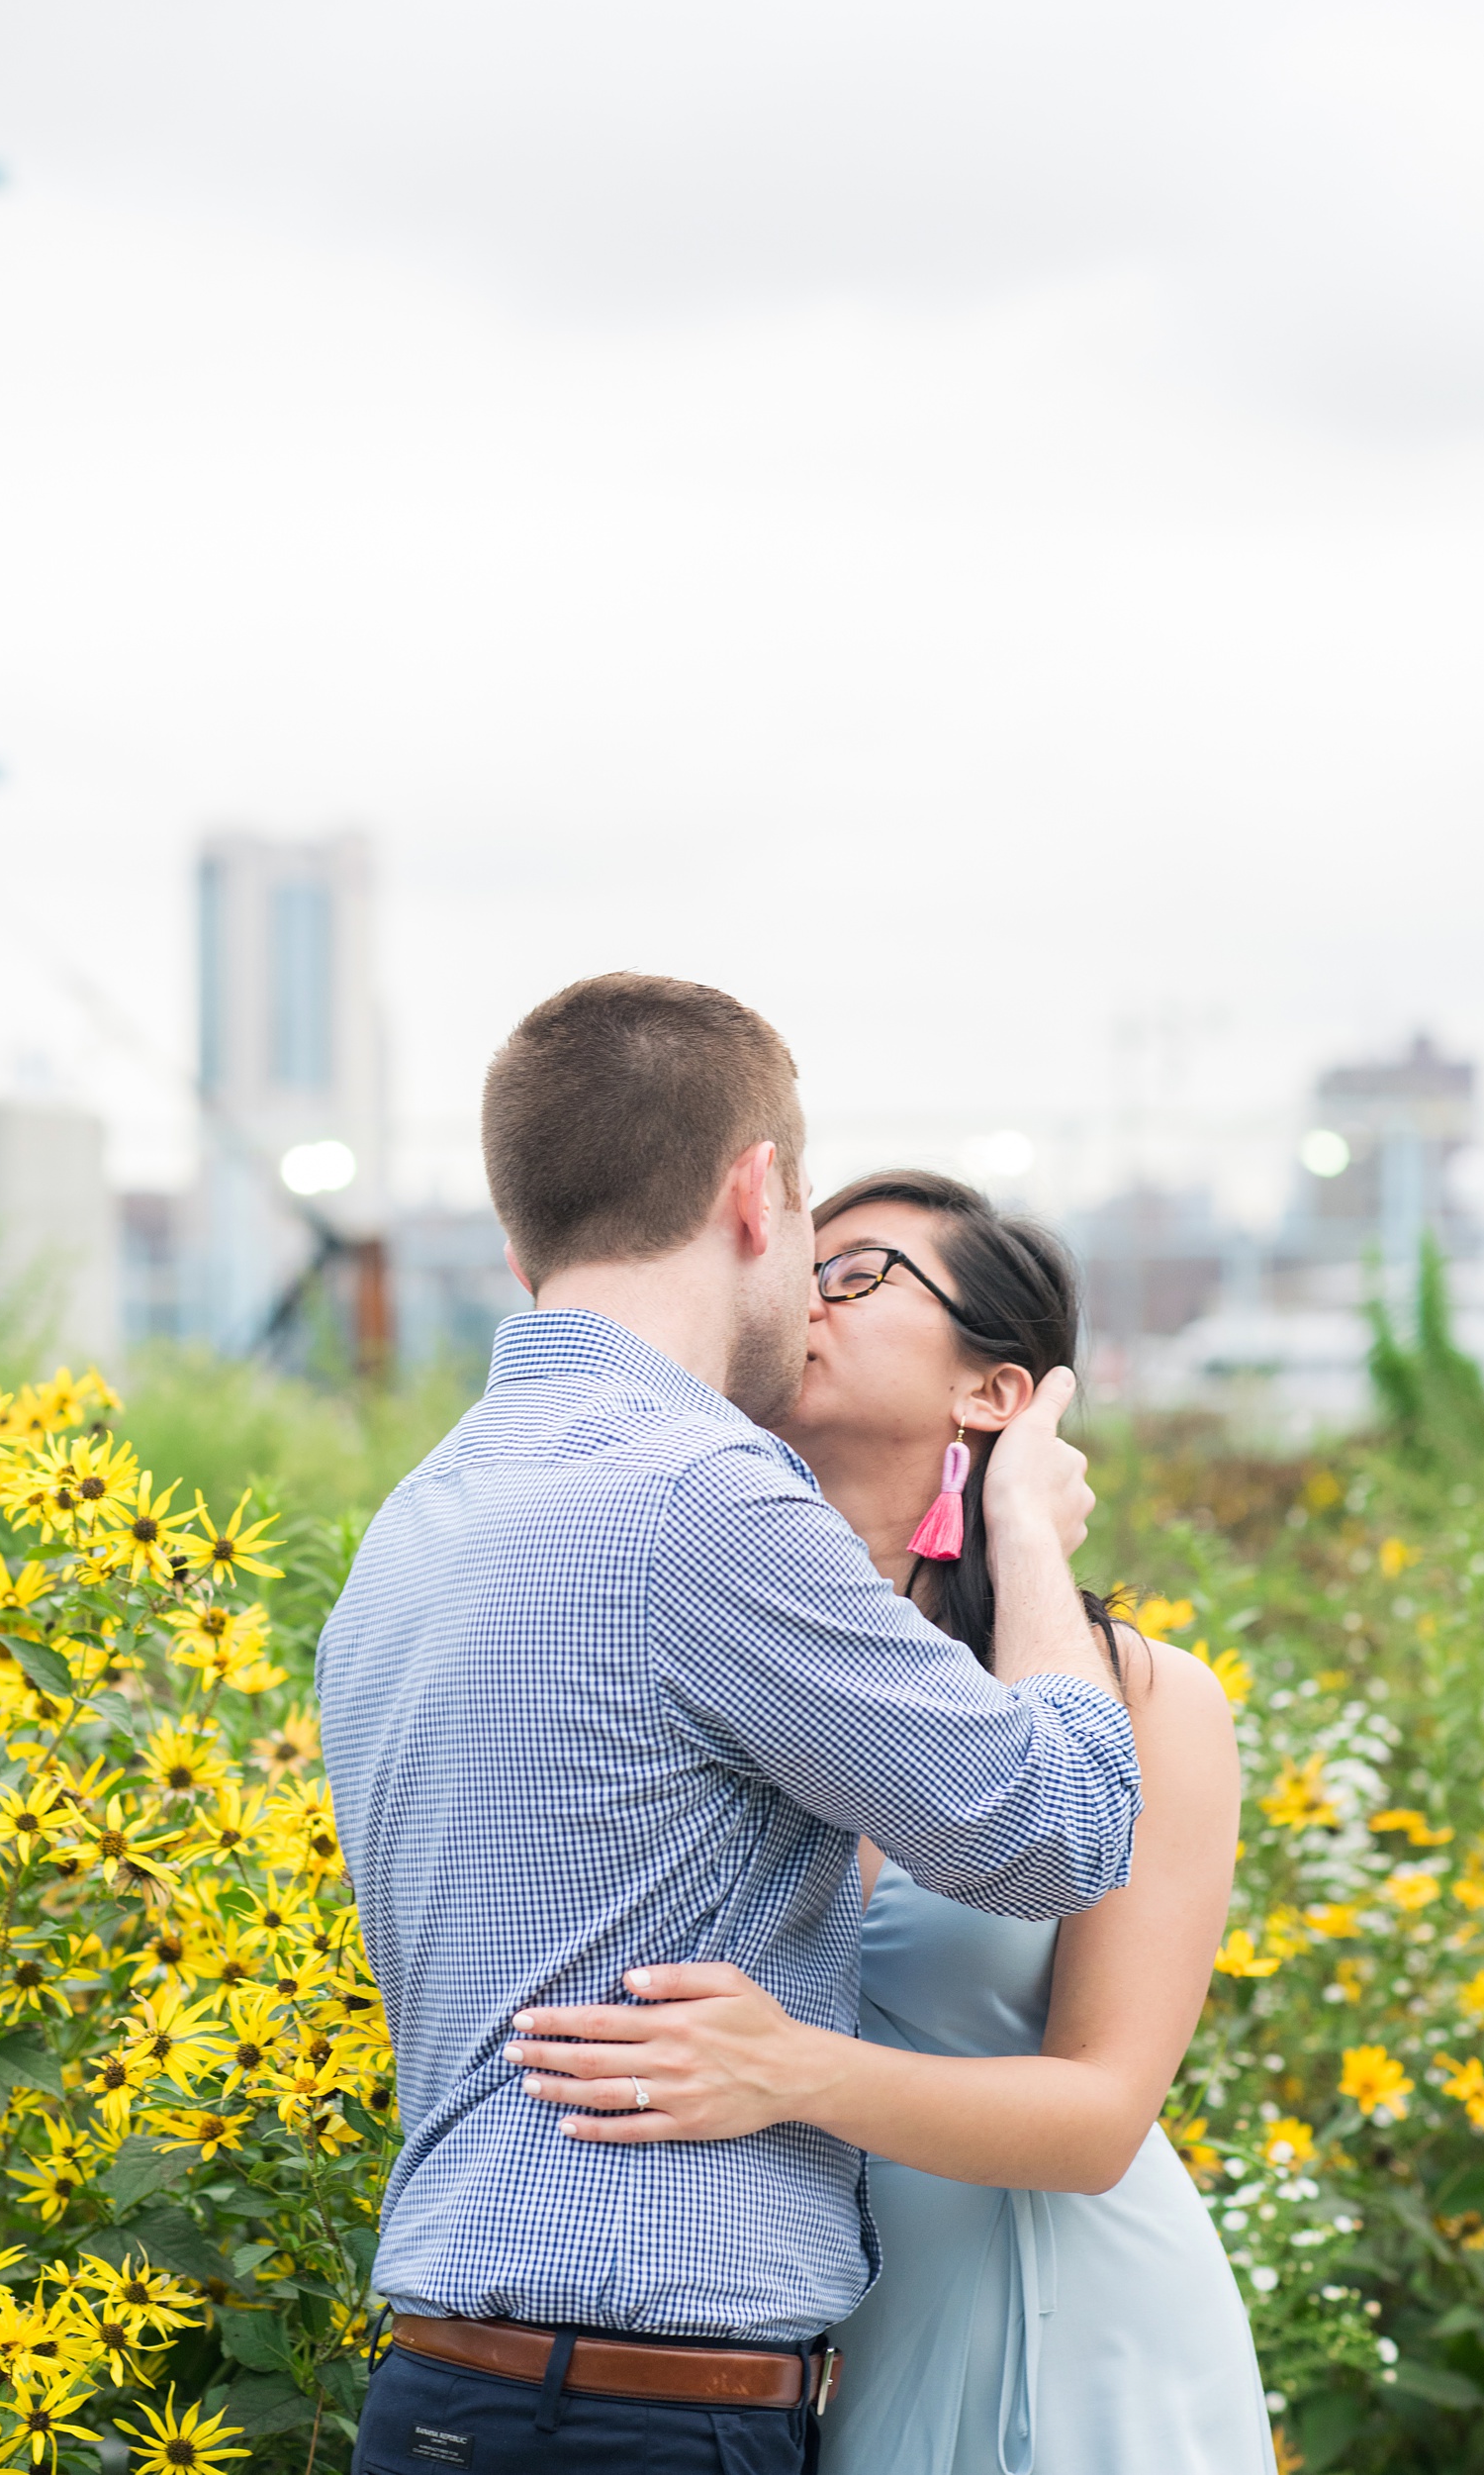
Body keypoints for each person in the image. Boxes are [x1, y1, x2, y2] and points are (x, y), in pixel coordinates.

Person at [318, 979, 1142, 2475]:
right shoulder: (701, 1496)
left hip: (451, 2393)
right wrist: (1026, 1526)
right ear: (756, 1193)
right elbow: (1055, 1830)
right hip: (627, 2413)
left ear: (521, 1239)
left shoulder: (421, 1516)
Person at [510, 1171, 1275, 2474]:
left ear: (995, 1392)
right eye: (802, 1263)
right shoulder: (708, 1651)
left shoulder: (1148, 1703)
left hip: (1065, 2330)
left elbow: (1101, 2118)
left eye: (858, 1274)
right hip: (805, 2338)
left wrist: (787, 2068)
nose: (805, 1295)